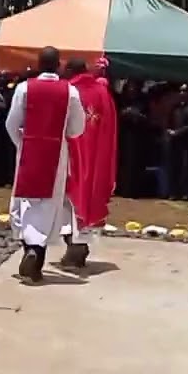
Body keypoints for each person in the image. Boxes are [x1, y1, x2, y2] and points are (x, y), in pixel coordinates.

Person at [4, 47, 86, 282]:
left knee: (25, 202)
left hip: (28, 151)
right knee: (49, 206)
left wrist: (23, 144)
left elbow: (11, 124)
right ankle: (37, 255)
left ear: (39, 65)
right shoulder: (70, 91)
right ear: (59, 66)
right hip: (56, 154)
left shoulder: (23, 88)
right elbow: (77, 128)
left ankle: (30, 250)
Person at [60, 57, 118, 269]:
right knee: (89, 196)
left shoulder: (68, 91)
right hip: (97, 154)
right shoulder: (103, 92)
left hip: (72, 154)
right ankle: (80, 244)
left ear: (70, 71)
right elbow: (110, 126)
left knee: (69, 200)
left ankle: (75, 247)